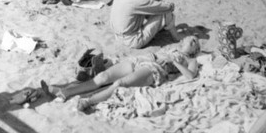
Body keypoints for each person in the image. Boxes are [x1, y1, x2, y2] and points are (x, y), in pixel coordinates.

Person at [41, 36, 200, 110]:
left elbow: (190, 76)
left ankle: (88, 101)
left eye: (195, 43)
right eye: (191, 39)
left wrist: (176, 62)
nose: (192, 42)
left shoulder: (191, 60)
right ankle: (65, 91)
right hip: (143, 60)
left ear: (195, 51)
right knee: (102, 77)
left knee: (120, 84)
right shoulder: (172, 47)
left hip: (154, 70)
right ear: (182, 41)